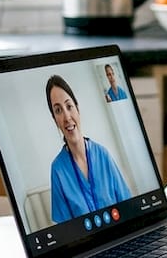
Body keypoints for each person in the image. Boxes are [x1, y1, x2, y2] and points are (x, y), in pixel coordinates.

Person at [46, 75, 131, 223]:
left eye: (69, 106)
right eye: (58, 110)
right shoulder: (58, 170)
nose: (67, 117)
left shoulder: (103, 155)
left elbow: (128, 207)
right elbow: (65, 230)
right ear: (55, 120)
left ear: (77, 109)